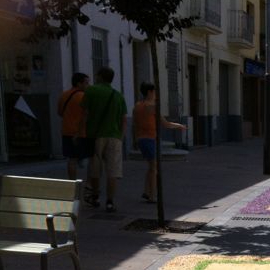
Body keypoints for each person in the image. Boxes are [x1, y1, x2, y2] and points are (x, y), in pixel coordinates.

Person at [79, 66, 127, 212]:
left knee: (95, 169)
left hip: (96, 136)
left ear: (99, 76)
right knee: (112, 171)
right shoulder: (118, 95)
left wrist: (79, 132)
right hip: (114, 137)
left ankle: (95, 197)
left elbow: (85, 115)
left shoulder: (91, 91)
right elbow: (124, 119)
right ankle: (110, 202)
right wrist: (121, 137)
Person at [133, 82, 187, 203]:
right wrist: (179, 126)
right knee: (154, 168)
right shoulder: (152, 106)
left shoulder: (137, 105)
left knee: (151, 166)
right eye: (154, 92)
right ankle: (153, 196)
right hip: (149, 139)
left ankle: (146, 192)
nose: (155, 94)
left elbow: (135, 124)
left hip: (141, 139)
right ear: (149, 92)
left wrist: (136, 138)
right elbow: (165, 123)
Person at [57, 72, 90, 180]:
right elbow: (87, 115)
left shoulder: (64, 95)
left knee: (71, 160)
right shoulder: (83, 97)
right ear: (79, 84)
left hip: (66, 131)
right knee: (86, 158)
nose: (88, 85)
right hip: (80, 132)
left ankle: (72, 182)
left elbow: (60, 112)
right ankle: (85, 183)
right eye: (86, 83)